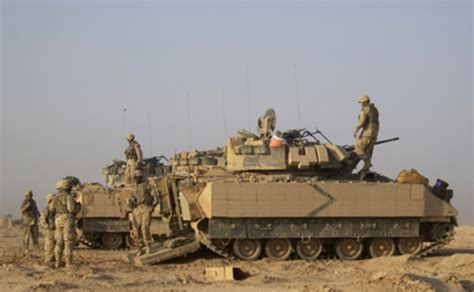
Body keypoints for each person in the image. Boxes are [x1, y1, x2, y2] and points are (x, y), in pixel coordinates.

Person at [52, 177, 81, 268]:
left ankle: (57, 262)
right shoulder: (68, 197)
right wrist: (78, 207)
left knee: (59, 242)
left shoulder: (55, 197)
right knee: (68, 241)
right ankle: (68, 263)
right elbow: (71, 209)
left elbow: (52, 209)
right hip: (67, 219)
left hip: (58, 219)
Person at [127, 170, 154, 255]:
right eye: (134, 177)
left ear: (140, 177)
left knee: (144, 228)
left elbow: (155, 196)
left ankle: (148, 247)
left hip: (146, 207)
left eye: (137, 177)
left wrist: (151, 207)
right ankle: (140, 248)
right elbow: (131, 198)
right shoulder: (133, 188)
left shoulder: (147, 186)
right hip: (137, 209)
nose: (135, 179)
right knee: (136, 230)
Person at [353, 95, 379, 178]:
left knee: (357, 147)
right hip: (374, 134)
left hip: (367, 133)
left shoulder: (364, 110)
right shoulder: (375, 110)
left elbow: (362, 122)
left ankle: (367, 163)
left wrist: (356, 130)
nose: (360, 104)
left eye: (360, 102)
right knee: (367, 151)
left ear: (364, 102)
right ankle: (365, 170)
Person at [41, 193, 56, 267]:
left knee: (58, 247)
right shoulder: (46, 210)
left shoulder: (57, 210)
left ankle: (55, 261)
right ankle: (48, 262)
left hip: (57, 230)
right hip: (49, 231)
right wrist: (48, 226)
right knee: (49, 247)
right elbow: (42, 221)